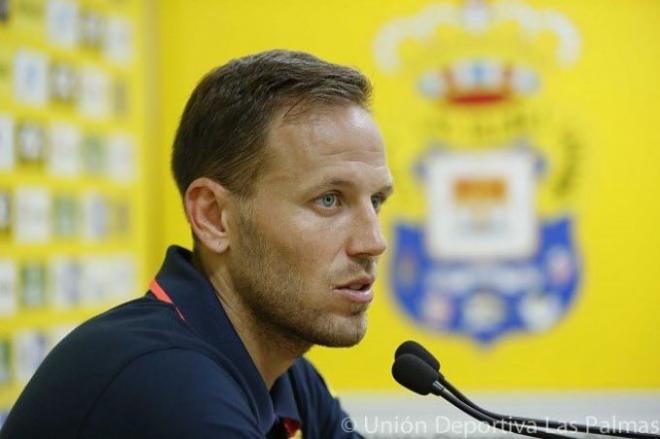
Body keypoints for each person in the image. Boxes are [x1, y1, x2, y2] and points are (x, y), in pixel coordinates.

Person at [0, 50, 393, 438]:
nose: (373, 242)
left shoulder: (285, 375)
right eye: (329, 200)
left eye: (376, 200)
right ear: (213, 217)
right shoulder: (162, 379)